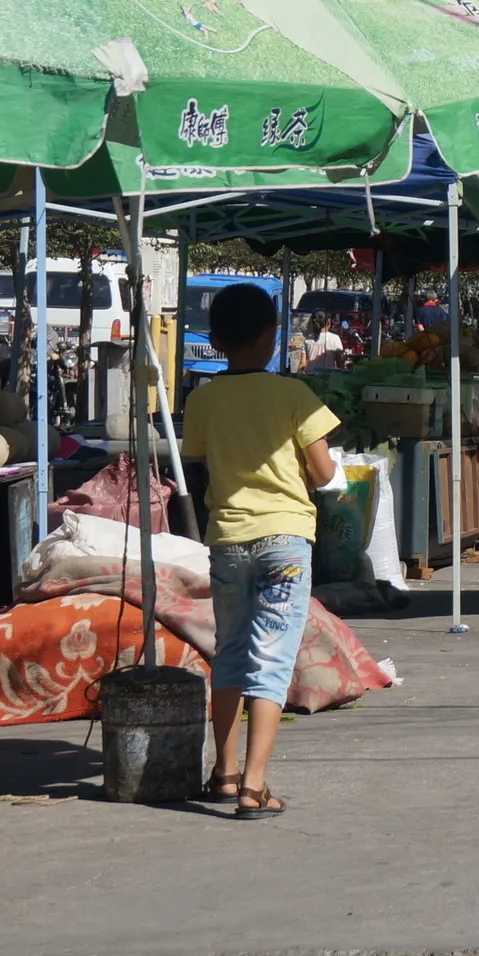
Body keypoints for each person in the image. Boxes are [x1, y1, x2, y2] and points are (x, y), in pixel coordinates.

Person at [179, 283, 343, 821]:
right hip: (286, 541)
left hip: (227, 539)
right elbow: (323, 472)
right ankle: (253, 787)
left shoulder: (202, 398)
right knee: (270, 660)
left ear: (217, 339)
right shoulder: (293, 394)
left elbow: (197, 456)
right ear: (273, 336)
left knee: (228, 652)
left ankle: (223, 774)